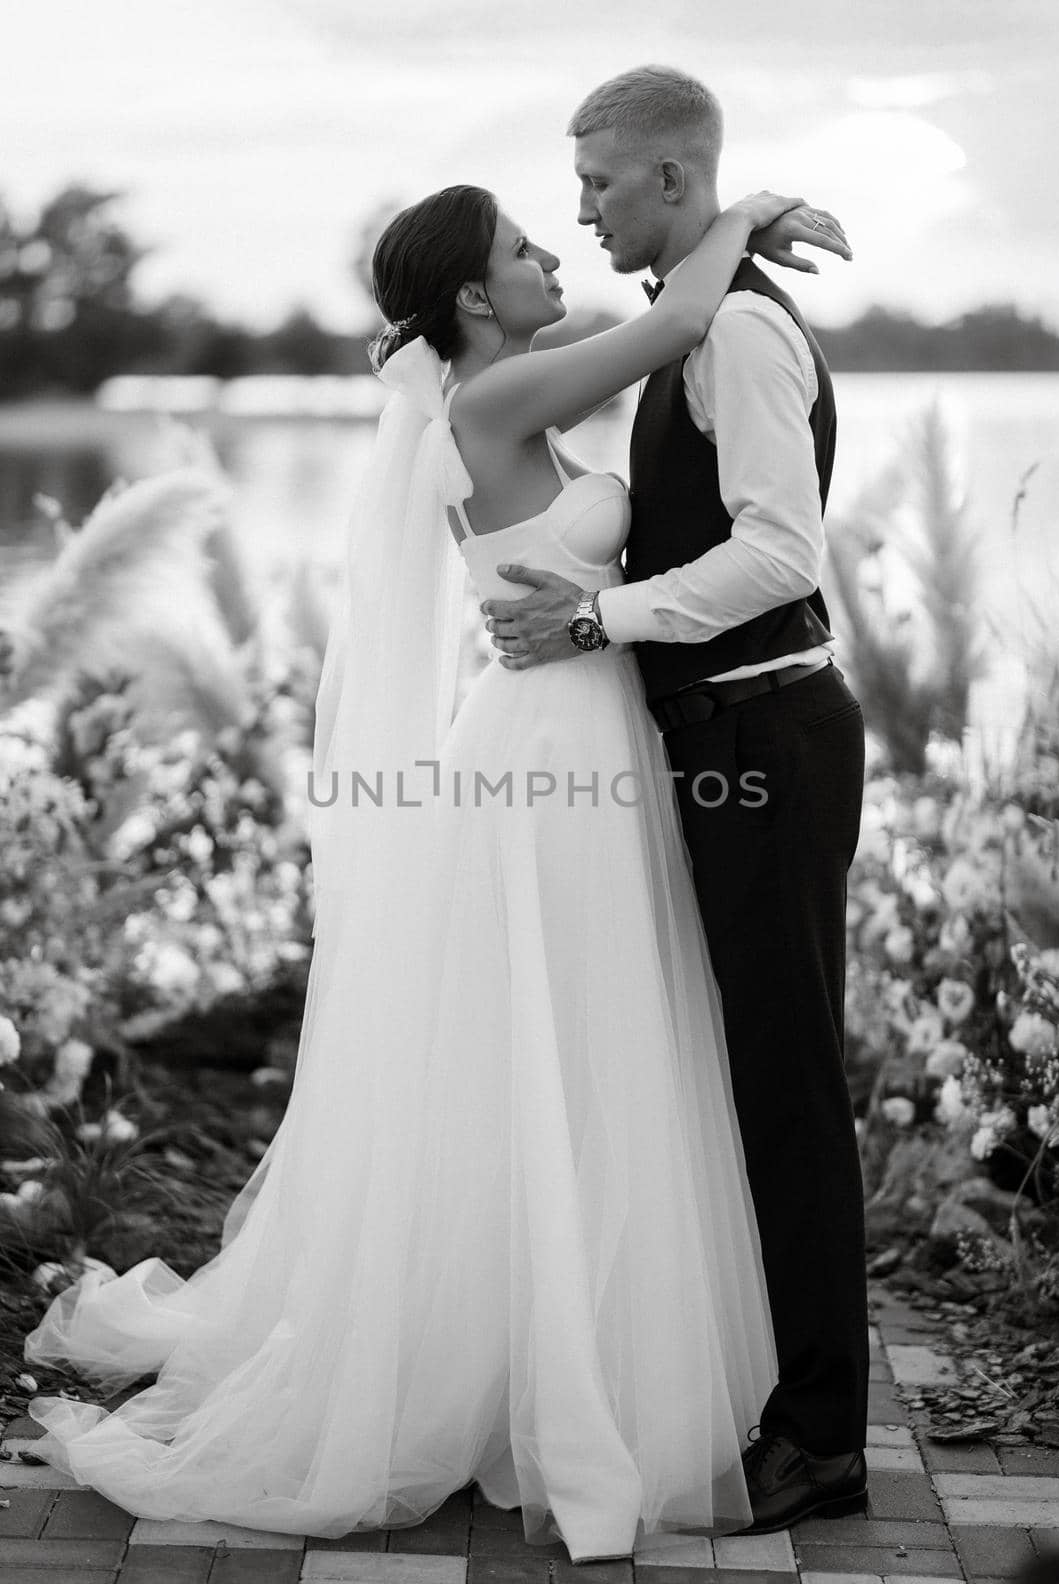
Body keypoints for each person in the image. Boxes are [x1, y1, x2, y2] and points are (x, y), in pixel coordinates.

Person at [23, 179, 849, 1560]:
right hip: (548, 758)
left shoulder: (505, 387)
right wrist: (740, 210)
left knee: (589, 1049)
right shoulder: (487, 405)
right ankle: (556, 1375)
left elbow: (681, 362)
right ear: (474, 297)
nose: (548, 256)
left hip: (594, 738)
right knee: (559, 1044)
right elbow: (689, 315)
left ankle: (565, 1345)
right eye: (526, 249)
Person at [480, 65, 869, 1535]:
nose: (578, 207)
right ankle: (786, 1390)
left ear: (672, 180)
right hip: (729, 737)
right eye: (571, 186)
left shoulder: (744, 335)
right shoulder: (693, 317)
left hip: (767, 737)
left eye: (597, 181)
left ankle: (826, 1438)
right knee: (750, 1071)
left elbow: (781, 554)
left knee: (788, 1085)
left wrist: (597, 624)